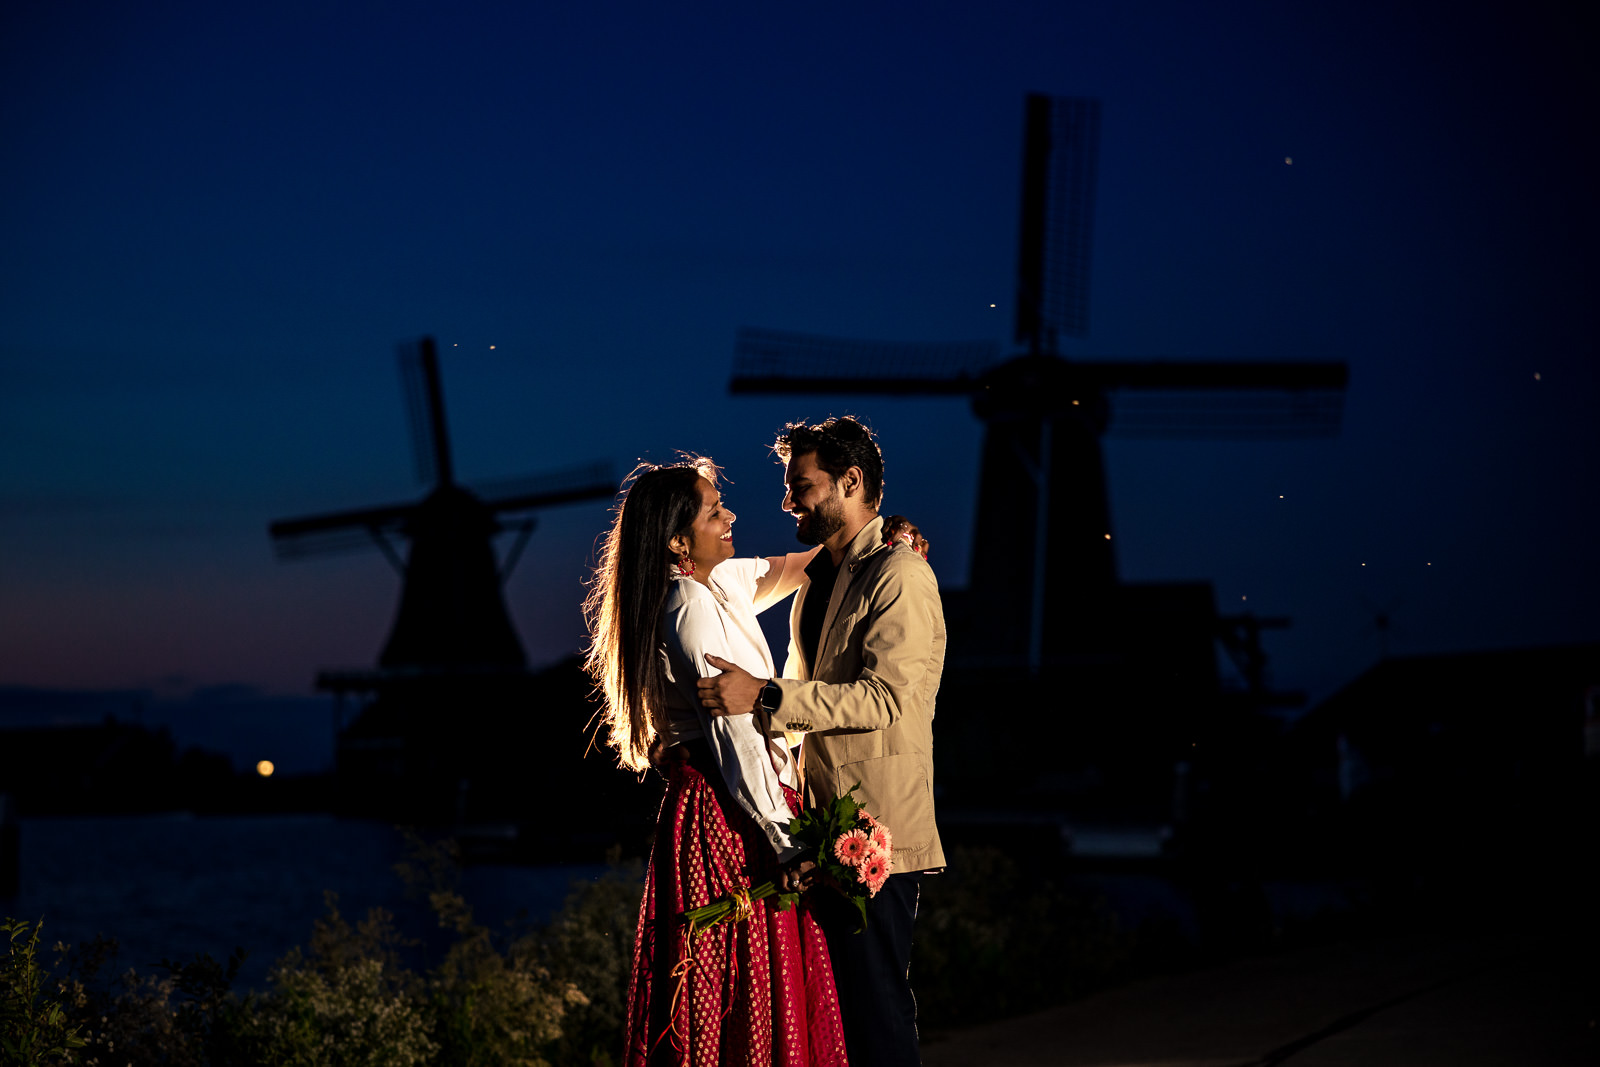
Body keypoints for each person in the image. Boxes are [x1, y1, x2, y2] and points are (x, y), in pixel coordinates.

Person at [583, 457, 848, 1067]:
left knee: (756, 963)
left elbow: (794, 567)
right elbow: (734, 738)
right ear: (679, 541)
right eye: (713, 511)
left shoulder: (716, 582)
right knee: (746, 968)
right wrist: (784, 842)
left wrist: (880, 536)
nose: (730, 515)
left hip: (734, 797)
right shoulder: (687, 605)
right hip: (726, 809)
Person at [698, 417, 946, 1067]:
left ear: (851, 481)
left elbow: (886, 699)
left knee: (877, 1012)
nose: (787, 501)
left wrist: (767, 696)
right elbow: (807, 690)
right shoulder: (816, 578)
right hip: (823, 826)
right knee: (837, 1020)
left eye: (800, 485)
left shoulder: (901, 574)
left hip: (879, 832)